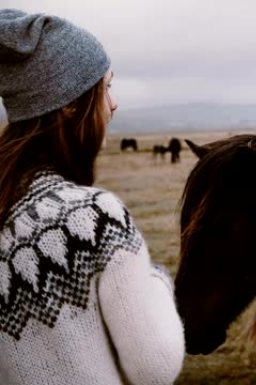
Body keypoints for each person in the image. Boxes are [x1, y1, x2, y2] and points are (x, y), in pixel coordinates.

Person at [0, 9, 185, 385]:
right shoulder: (92, 217)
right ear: (69, 103)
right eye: (106, 87)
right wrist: (157, 282)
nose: (113, 104)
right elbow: (154, 368)